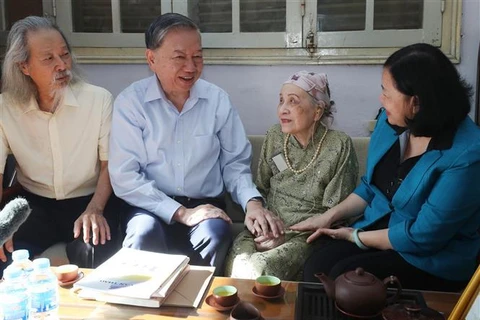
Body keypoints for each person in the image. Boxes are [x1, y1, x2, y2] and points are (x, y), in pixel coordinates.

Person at [293, 43, 480, 291]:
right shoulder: (389, 121)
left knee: (345, 281)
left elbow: (423, 236)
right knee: (316, 266)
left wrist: (354, 236)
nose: (381, 99)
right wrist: (327, 217)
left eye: (387, 93)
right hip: (379, 229)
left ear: (416, 103)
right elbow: (371, 187)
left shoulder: (467, 154)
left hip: (430, 257)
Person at [108, 13, 283, 273]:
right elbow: (125, 176)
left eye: (197, 56)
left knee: (215, 234)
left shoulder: (217, 100)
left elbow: (234, 163)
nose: (191, 67)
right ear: (151, 59)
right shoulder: (131, 103)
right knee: (143, 234)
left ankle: (200, 308)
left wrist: (252, 203)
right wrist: (181, 212)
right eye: (179, 57)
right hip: (150, 205)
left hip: (206, 204)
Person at [0, 16, 120, 273]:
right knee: (4, 254)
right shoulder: (5, 108)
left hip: (90, 200)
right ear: (24, 66)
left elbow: (109, 164)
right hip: (33, 204)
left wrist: (95, 209)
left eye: (64, 55)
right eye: (48, 59)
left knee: (97, 254)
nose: (62, 65)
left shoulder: (98, 100)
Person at [224, 71, 358, 280]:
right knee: (239, 261)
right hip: (268, 228)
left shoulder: (339, 145)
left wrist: (285, 235)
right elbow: (262, 188)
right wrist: (265, 226)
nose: (282, 109)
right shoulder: (275, 136)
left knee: (259, 269)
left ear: (317, 110)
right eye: (281, 101)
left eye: (293, 101)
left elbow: (336, 214)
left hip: (308, 236)